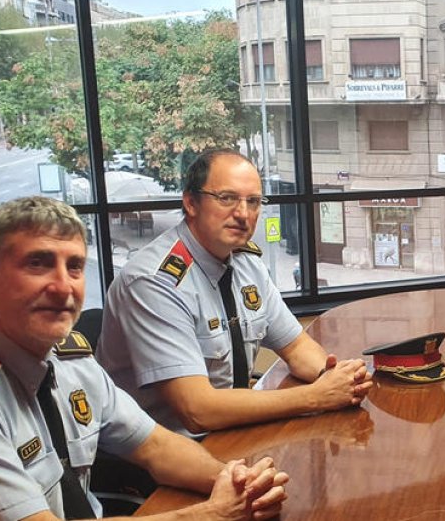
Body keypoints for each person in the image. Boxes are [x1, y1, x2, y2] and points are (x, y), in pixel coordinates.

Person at [0, 196, 290, 520]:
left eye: (74, 267)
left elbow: (156, 447)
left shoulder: (67, 358)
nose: (62, 287)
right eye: (38, 264)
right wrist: (213, 514)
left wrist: (238, 481)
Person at [97, 149, 372, 436]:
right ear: (191, 203)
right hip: (161, 459)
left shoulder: (247, 264)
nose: (243, 214)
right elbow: (197, 411)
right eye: (227, 198)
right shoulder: (154, 283)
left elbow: (297, 347)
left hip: (230, 433)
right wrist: (316, 396)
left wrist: (333, 379)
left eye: (253, 202)